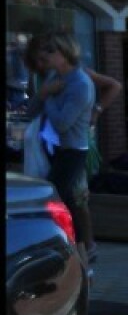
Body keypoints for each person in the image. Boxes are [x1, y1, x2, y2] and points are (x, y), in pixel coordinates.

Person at [28, 31, 96, 261]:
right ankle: (71, 247)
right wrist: (43, 94)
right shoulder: (54, 78)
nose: (47, 56)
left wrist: (47, 97)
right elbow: (31, 111)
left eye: (51, 51)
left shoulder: (80, 84)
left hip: (73, 150)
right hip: (51, 148)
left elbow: (63, 123)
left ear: (65, 54)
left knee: (63, 197)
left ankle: (81, 249)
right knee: (63, 197)